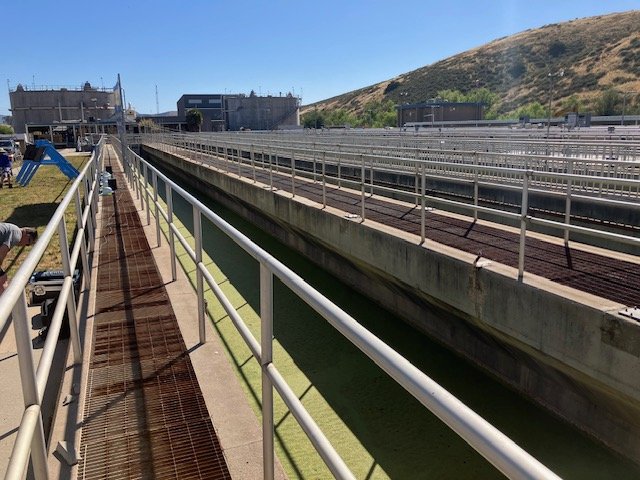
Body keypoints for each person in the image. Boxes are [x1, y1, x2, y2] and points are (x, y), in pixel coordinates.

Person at [0, 222, 38, 294]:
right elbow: (2, 251)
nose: (25, 244)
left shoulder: (12, 228)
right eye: (28, 242)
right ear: (27, 233)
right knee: (2, 280)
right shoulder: (18, 235)